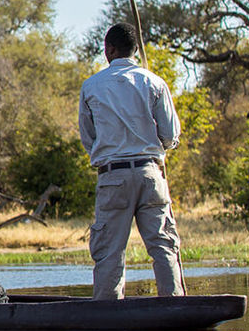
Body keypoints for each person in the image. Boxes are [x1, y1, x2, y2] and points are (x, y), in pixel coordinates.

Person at [78, 22, 185, 300]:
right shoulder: (155, 82)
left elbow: (89, 139)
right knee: (163, 246)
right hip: (151, 173)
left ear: (110, 50)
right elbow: (171, 135)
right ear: (135, 50)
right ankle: (174, 304)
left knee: (109, 251)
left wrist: (109, 153)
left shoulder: (91, 87)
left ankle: (107, 312)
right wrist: (151, 150)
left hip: (112, 176)